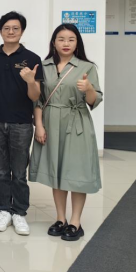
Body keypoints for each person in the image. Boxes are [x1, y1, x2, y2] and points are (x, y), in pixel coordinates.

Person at [30, 23, 103, 242]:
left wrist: (88, 89)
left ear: (77, 43)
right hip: (50, 121)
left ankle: (75, 222)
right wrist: (39, 125)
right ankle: (60, 219)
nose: (66, 43)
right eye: (61, 39)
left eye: (71, 39)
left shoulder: (87, 67)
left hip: (77, 122)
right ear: (54, 42)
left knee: (77, 173)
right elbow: (38, 100)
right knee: (57, 170)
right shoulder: (44, 66)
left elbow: (94, 101)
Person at [0, 12, 42, 236]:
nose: (11, 32)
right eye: (6, 28)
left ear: (22, 31)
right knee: (0, 171)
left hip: (21, 123)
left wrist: (30, 81)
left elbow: (35, 96)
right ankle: (3, 211)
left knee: (19, 172)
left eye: (15, 28)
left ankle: (19, 213)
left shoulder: (32, 58)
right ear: (0, 31)